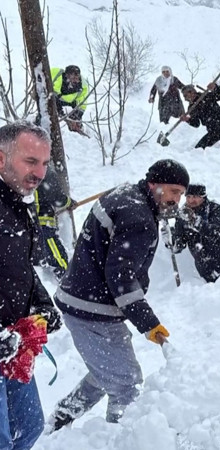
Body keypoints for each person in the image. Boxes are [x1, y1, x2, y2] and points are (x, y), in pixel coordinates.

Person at [48, 159, 189, 431]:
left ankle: (61, 418)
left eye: (181, 194)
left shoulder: (125, 195)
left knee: (107, 372)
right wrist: (148, 323)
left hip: (82, 298)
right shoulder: (139, 219)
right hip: (93, 310)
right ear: (153, 184)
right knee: (126, 385)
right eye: (173, 191)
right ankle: (121, 440)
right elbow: (121, 277)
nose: (176, 200)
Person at [0, 121, 63, 449]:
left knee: (29, 426)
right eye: (30, 161)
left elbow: (17, 268)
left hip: (12, 344)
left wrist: (41, 302)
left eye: (44, 163)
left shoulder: (15, 205)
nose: (39, 173)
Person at [34, 166, 75, 280]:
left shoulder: (18, 168)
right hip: (43, 223)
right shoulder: (44, 171)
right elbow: (57, 198)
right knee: (57, 255)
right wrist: (69, 202)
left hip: (26, 225)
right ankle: (67, 280)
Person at [180, 85, 220, 149]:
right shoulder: (191, 107)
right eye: (184, 96)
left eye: (185, 95)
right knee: (198, 149)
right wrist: (188, 120)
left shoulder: (206, 96)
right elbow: (196, 123)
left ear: (192, 92)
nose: (185, 99)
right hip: (213, 131)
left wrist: (215, 87)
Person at [50, 66, 89, 133]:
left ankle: (77, 129)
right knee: (49, 113)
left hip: (70, 102)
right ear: (67, 76)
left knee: (75, 121)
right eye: (73, 78)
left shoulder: (83, 86)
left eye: (77, 78)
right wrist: (59, 111)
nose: (76, 80)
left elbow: (82, 104)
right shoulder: (57, 76)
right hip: (53, 98)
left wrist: (76, 117)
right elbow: (52, 95)